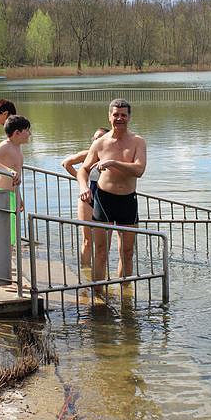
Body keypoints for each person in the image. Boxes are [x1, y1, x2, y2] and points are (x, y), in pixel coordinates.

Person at [77, 99, 147, 285]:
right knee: (100, 251)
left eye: (123, 115)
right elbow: (83, 170)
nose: (119, 118)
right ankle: (97, 294)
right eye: (116, 114)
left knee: (127, 252)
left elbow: (139, 170)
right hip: (104, 199)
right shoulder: (100, 143)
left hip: (127, 201)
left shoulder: (138, 142)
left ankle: (126, 295)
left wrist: (113, 163)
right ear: (109, 117)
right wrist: (84, 187)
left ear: (129, 117)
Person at [62, 127, 109, 265]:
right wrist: (82, 182)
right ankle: (86, 273)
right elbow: (66, 163)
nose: (95, 140)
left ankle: (101, 274)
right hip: (88, 198)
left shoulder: (112, 156)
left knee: (103, 244)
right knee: (87, 240)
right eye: (94, 138)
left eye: (99, 138)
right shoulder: (88, 154)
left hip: (107, 199)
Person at [0, 115, 31, 245]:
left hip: (11, 195)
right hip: (1, 194)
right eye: (27, 130)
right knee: (3, 234)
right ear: (17, 133)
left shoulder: (17, 147)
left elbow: (17, 175)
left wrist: (18, 196)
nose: (29, 134)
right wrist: (8, 170)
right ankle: (3, 261)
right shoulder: (5, 145)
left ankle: (8, 259)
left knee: (11, 234)